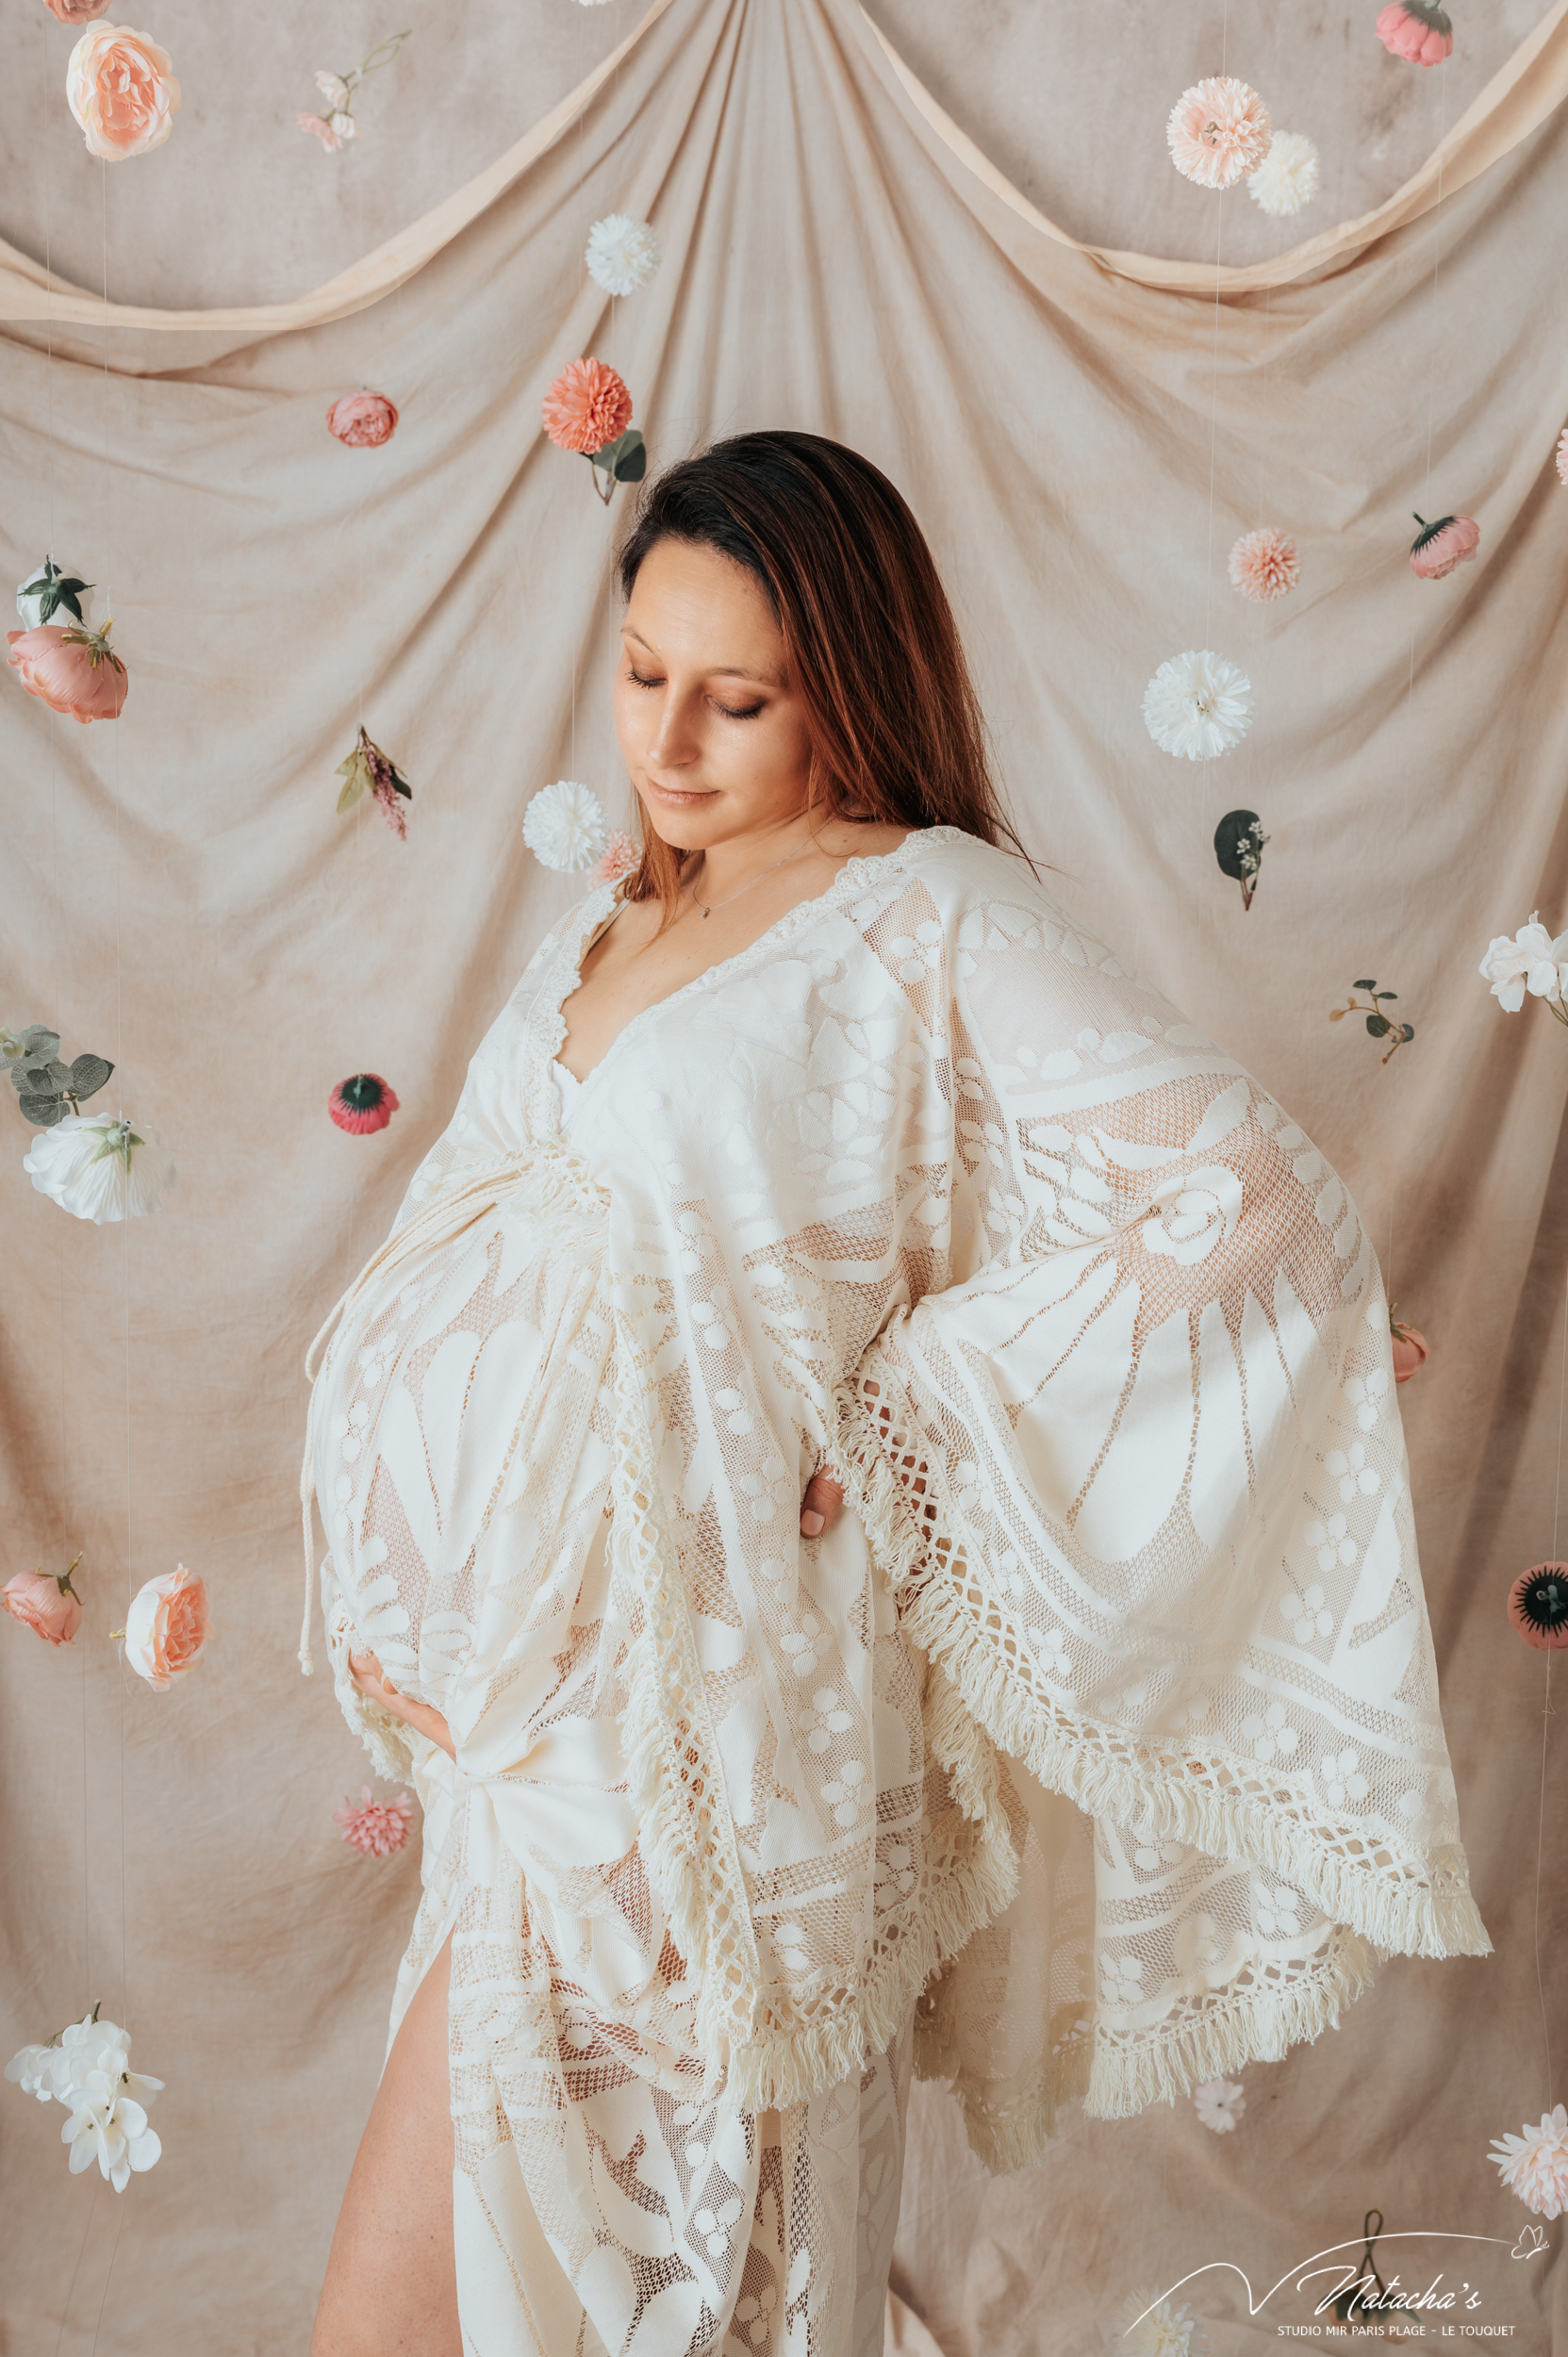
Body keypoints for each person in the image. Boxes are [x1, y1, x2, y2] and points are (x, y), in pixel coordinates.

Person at [303, 432, 1487, 2357]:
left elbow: (1240, 1195)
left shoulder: (920, 910)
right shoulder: (614, 920)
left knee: (675, 2307)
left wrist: (907, 1418)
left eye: (736, 697)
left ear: (845, 683)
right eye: (641, 673)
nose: (668, 740)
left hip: (714, 1744)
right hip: (525, 1775)